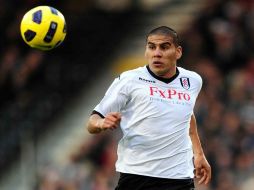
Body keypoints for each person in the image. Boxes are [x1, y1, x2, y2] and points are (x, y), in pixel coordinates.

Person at [86, 26, 211, 190]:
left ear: (178, 52)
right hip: (137, 177)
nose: (157, 53)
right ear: (146, 51)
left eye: (164, 47)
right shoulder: (129, 80)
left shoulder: (192, 81)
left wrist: (199, 154)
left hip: (179, 178)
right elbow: (91, 122)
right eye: (152, 47)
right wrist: (102, 123)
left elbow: (186, 115)